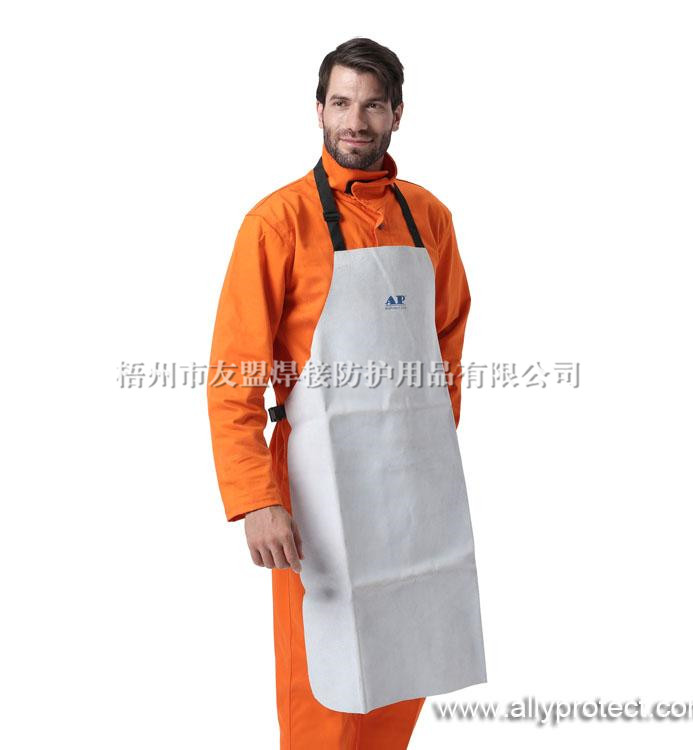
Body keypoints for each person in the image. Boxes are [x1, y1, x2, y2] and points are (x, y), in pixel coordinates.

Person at [207, 37, 486, 750]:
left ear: (397, 114)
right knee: (325, 689)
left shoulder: (428, 217)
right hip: (319, 497)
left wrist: (427, 447)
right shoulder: (278, 223)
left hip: (414, 493)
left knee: (403, 670)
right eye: (340, 103)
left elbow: (447, 340)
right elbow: (234, 374)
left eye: (371, 105)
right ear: (319, 111)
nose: (354, 121)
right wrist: (257, 500)